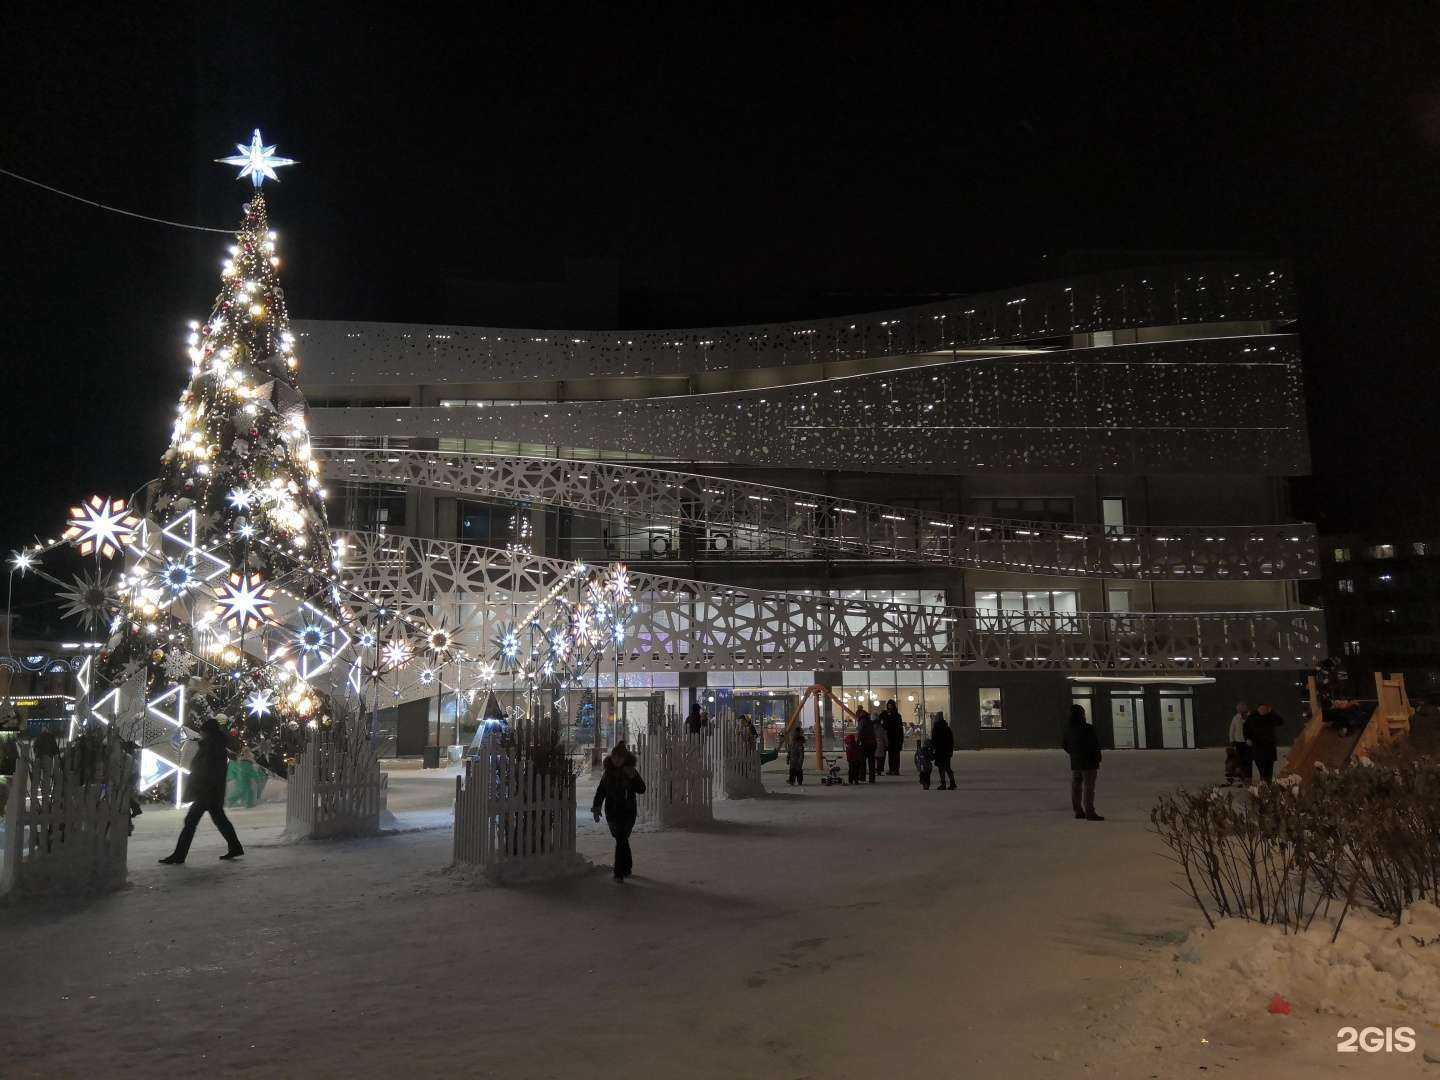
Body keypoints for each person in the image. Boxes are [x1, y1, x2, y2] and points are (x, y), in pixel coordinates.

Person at [160, 716, 244, 864]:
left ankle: (179, 855)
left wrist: (201, 786)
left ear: (208, 732)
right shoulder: (213, 745)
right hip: (211, 791)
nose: (201, 734)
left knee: (191, 822)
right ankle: (235, 847)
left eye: (203, 732)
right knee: (220, 820)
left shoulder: (212, 747)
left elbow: (208, 770)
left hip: (206, 791)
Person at [591, 742, 647, 882]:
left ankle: (619, 872)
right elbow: (601, 791)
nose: (617, 760)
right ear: (612, 757)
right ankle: (627, 867)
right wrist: (597, 807)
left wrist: (634, 777)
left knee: (621, 840)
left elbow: (641, 789)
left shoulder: (630, 771)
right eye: (615, 757)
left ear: (625, 758)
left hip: (628, 812)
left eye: (620, 757)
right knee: (622, 840)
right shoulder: (608, 773)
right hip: (612, 812)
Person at [1062, 703, 1103, 820]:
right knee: (1088, 787)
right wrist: (1097, 757)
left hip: (1076, 762)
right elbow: (1094, 744)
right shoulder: (1088, 728)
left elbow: (1064, 745)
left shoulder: (1068, 729)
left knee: (1076, 787)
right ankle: (1090, 812)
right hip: (1089, 762)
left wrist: (1074, 753)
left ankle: (1078, 811)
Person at [1245, 703, 1283, 783]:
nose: (1262, 711)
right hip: (1257, 746)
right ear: (1258, 709)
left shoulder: (1271, 717)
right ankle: (1264, 780)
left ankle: (1267, 783)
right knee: (1260, 765)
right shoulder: (1252, 717)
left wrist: (1272, 712)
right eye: (1261, 709)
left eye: (1264, 709)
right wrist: (1247, 738)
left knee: (1269, 767)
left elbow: (1280, 721)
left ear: (1267, 710)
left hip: (1269, 746)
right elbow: (1246, 729)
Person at [1227, 701, 1252, 784]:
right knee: (1240, 761)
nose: (1240, 711)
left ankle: (1248, 777)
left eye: (1241, 709)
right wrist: (1231, 740)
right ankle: (1242, 777)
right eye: (1239, 709)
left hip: (1248, 742)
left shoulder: (1251, 717)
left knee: (1248, 760)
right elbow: (1232, 729)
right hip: (1238, 742)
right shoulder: (1235, 718)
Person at [930, 712, 955, 790]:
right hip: (947, 750)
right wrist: (950, 750)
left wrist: (933, 748)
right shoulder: (947, 728)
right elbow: (951, 740)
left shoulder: (936, 728)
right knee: (947, 767)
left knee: (941, 768)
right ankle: (952, 782)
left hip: (940, 751)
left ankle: (943, 783)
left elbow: (934, 740)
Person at [856, 708, 878, 783]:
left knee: (862, 761)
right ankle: (872, 778)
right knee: (871, 762)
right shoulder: (870, 721)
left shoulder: (862, 721)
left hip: (865, 744)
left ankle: (862, 777)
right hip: (872, 743)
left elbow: (860, 732)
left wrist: (858, 742)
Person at [882, 700, 904, 775]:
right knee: (891, 754)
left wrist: (901, 739)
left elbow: (900, 728)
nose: (890, 706)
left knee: (896, 755)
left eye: (891, 705)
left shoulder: (897, 715)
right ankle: (892, 769)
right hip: (890, 737)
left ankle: (896, 769)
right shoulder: (886, 714)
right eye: (889, 705)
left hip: (896, 737)